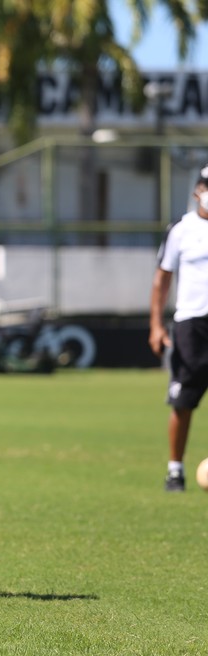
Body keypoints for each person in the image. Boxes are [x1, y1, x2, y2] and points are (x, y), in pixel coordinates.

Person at [149, 164, 208, 492]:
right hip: (191, 324)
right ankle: (175, 469)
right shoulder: (181, 230)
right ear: (197, 190)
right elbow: (161, 280)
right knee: (183, 399)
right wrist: (156, 325)